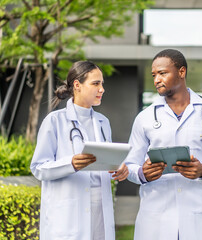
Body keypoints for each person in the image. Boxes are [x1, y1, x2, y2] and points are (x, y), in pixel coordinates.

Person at [124, 49, 202, 240]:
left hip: (197, 218)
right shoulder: (144, 118)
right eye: (154, 75)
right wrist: (143, 174)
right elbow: (128, 166)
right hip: (155, 219)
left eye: (162, 73)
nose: (156, 79)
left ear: (181, 72)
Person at [30, 60, 129, 240]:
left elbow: (104, 161)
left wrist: (119, 168)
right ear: (77, 85)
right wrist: (71, 164)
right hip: (69, 215)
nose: (102, 89)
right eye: (95, 83)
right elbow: (38, 168)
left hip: (100, 211)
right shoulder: (55, 121)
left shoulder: (103, 122)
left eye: (102, 84)